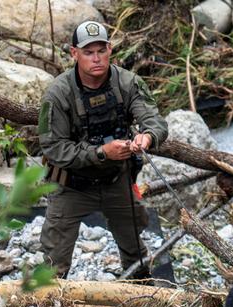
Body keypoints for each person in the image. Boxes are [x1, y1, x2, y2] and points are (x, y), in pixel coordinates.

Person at [37, 20, 168, 279]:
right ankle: (49, 301)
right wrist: (101, 153)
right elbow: (54, 148)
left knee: (136, 254)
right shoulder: (57, 94)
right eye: (88, 52)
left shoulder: (128, 83)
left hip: (116, 180)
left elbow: (155, 121)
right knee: (54, 262)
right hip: (71, 185)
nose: (96, 59)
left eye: (101, 51)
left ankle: (142, 294)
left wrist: (147, 137)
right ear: (74, 53)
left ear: (110, 49)